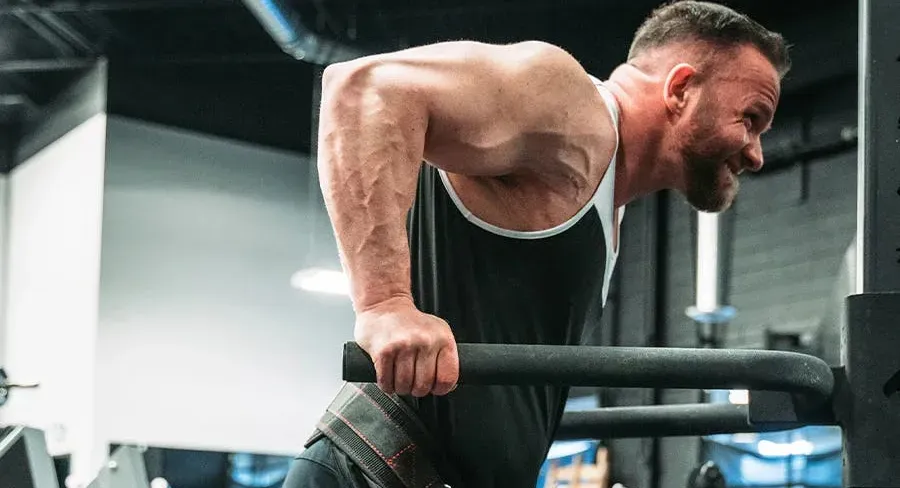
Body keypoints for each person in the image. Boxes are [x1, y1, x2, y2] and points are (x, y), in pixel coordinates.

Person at [283, 1, 790, 486]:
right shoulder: (573, 108)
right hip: (375, 474)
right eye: (750, 119)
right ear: (680, 88)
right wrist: (385, 304)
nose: (757, 153)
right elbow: (365, 87)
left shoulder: (609, 197)